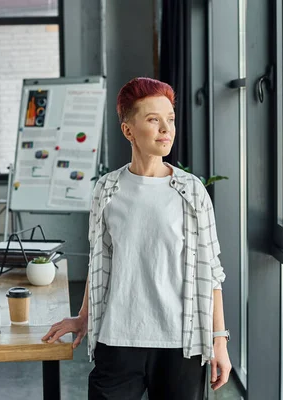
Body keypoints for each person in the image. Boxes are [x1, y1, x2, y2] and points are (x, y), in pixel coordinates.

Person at [42, 77, 231, 399]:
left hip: (180, 343)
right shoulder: (106, 189)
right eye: (153, 120)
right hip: (117, 338)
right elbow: (101, 259)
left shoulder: (190, 191)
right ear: (128, 130)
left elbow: (211, 269)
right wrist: (84, 317)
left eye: (169, 119)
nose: (165, 129)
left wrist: (219, 340)